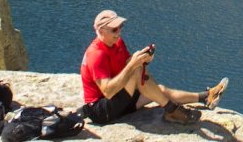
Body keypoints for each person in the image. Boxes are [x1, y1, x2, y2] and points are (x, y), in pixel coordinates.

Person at [79, 9, 228, 125]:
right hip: (101, 110)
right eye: (114, 29)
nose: (119, 32)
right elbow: (108, 91)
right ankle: (171, 111)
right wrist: (134, 64)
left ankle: (205, 97)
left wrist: (144, 59)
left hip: (119, 100)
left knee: (159, 90)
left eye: (120, 27)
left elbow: (127, 65)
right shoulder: (96, 54)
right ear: (101, 30)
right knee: (136, 69)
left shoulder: (117, 43)